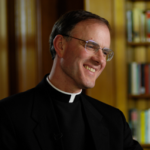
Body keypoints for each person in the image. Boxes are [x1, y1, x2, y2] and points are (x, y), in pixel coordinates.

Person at [0, 10, 142, 150]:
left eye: (105, 52)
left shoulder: (114, 120)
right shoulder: (9, 115)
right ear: (60, 45)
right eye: (91, 46)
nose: (100, 60)